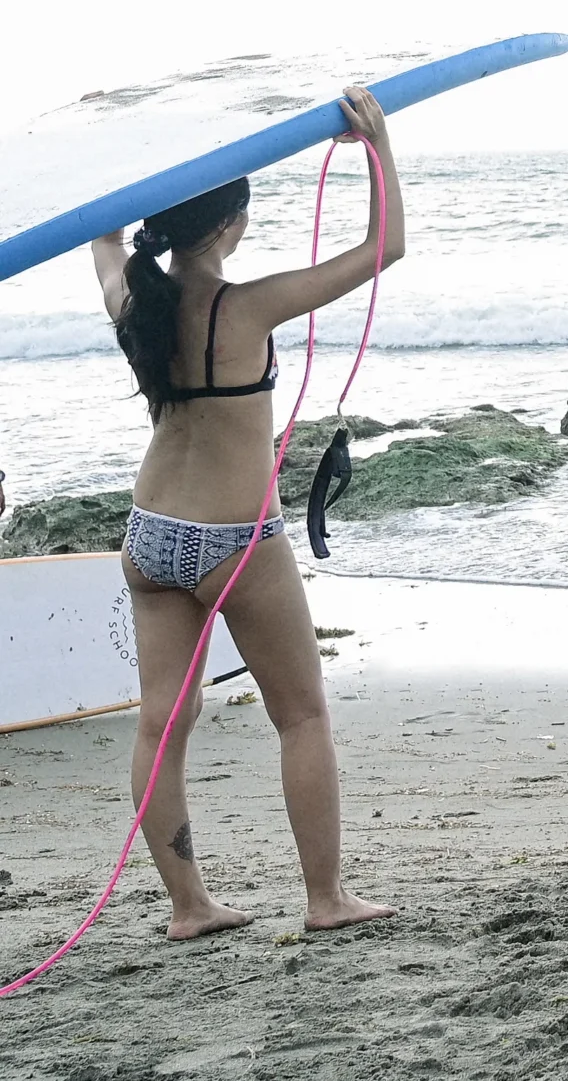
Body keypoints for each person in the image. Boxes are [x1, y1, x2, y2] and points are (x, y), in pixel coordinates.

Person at [87, 88, 403, 939]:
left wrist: (116, 171)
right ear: (231, 224)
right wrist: (377, 147)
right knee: (300, 715)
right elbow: (384, 249)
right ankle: (326, 898)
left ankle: (189, 906)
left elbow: (104, 239)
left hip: (151, 534)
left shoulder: (134, 302)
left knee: (162, 723)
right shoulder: (245, 306)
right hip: (236, 539)